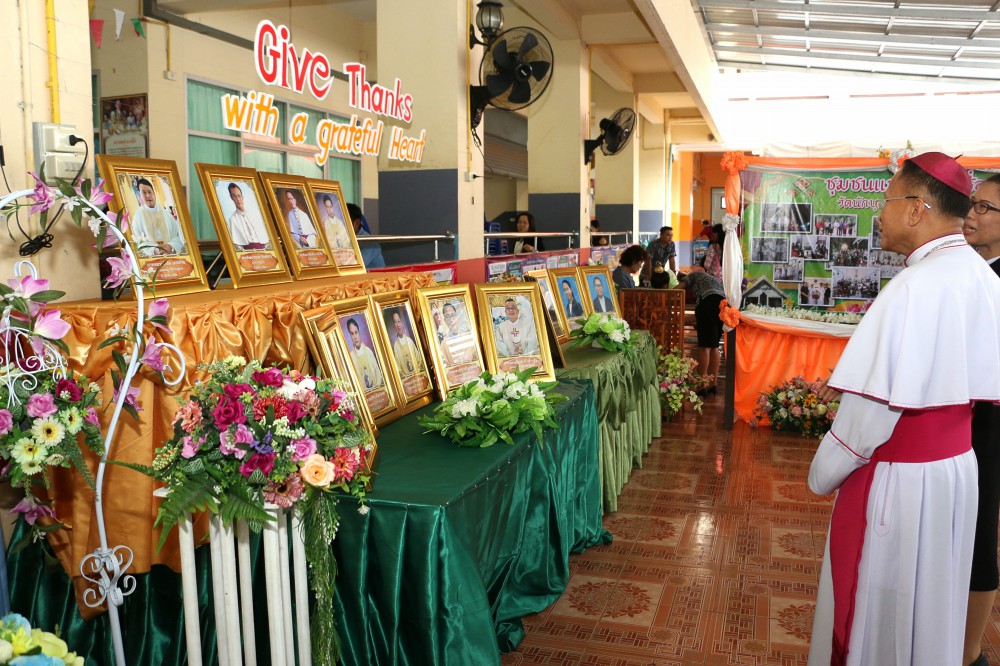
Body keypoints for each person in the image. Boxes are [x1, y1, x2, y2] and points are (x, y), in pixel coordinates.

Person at [806, 153, 1000, 666]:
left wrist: (822, 473)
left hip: (903, 481)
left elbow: (867, 421)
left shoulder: (913, 287)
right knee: (934, 603)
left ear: (917, 209)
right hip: (955, 471)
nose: (880, 213)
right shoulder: (982, 277)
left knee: (884, 613)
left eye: (887, 201)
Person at [961, 173, 1000, 666]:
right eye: (972, 203)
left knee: (979, 534)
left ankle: (969, 655)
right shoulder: (973, 270)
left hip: (989, 425)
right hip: (963, 421)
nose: (972, 214)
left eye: (986, 208)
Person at [676, 268, 725, 394]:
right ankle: (713, 384)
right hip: (724, 306)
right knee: (714, 346)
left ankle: (701, 385)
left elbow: (676, 290)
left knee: (704, 347)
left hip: (707, 303)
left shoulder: (694, 275)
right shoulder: (714, 279)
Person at [131, 178, 186, 257]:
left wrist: (170, 246)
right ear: (140, 196)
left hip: (171, 259)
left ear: (154, 194)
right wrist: (154, 250)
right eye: (144, 193)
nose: (148, 195)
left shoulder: (166, 214)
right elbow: (138, 241)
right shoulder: (138, 216)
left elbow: (179, 236)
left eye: (149, 192)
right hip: (151, 261)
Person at [225, 182, 271, 251]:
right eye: (234, 196)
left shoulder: (255, 214)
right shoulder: (232, 219)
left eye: (239, 196)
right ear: (231, 198)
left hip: (263, 250)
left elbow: (266, 238)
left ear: (242, 196)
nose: (238, 199)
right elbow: (237, 245)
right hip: (247, 253)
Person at [345, 317, 384, 391]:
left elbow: (378, 376)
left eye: (356, 332)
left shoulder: (368, 351)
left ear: (359, 332)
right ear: (350, 335)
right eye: (352, 334)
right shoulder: (350, 358)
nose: (355, 337)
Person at [347, 203, 386, 269]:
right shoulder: (346, 239)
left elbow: (353, 266)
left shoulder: (370, 244)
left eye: (344, 223)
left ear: (356, 223)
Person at [440, 302, 478, 366]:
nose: (451, 319)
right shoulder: (443, 345)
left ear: (457, 317)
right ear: (445, 320)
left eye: (453, 315)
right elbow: (445, 367)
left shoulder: (468, 337)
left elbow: (477, 360)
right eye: (447, 316)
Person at [389, 310, 424, 377]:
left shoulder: (409, 341)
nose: (398, 325)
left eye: (399, 321)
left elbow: (419, 360)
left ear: (402, 323)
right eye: (395, 322)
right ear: (394, 326)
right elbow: (398, 369)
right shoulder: (396, 346)